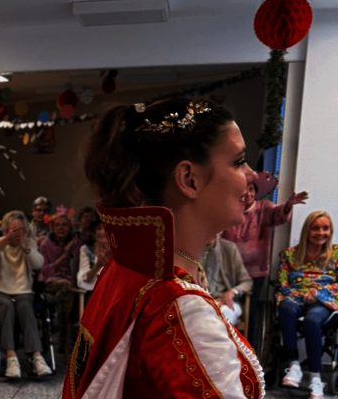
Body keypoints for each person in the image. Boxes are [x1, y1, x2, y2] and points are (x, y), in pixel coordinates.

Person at [63, 99, 263, 398]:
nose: (253, 175)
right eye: (238, 161)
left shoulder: (126, 266)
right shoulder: (179, 305)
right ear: (189, 179)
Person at [222, 176, 308, 344]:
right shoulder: (228, 209)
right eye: (243, 189)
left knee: (249, 313)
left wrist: (289, 205)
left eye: (252, 189)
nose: (248, 193)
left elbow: (279, 214)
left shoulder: (264, 208)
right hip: (228, 273)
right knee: (224, 310)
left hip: (255, 273)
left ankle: (250, 356)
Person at [0, 210, 51, 378]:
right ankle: (11, 357)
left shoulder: (28, 244)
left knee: (26, 306)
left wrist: (26, 248)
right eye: (13, 230)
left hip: (22, 289)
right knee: (6, 306)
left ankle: (37, 357)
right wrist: (4, 241)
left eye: (20, 230)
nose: (17, 234)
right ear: (5, 229)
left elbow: (38, 264)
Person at [277, 211, 338, 399]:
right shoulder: (289, 255)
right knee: (285, 307)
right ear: (307, 231)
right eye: (315, 228)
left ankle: (316, 380)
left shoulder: (336, 253)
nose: (321, 232)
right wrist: (301, 294)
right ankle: (293, 365)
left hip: (325, 300)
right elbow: (283, 282)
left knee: (312, 321)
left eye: (325, 228)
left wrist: (317, 293)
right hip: (297, 296)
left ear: (331, 230)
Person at [38, 213, 82, 351]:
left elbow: (78, 268)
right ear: (52, 227)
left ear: (70, 227)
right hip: (51, 281)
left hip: (70, 282)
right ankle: (65, 340)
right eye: (57, 225)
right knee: (64, 289)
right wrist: (64, 255)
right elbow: (44, 270)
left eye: (64, 225)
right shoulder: (45, 244)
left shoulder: (76, 243)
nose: (61, 228)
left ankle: (64, 341)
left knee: (66, 295)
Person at [201, 235, 252, 325]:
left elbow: (247, 282)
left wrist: (232, 292)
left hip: (225, 302)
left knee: (222, 316)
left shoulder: (229, 248)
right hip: (201, 301)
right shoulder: (192, 249)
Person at [76, 223, 110, 297]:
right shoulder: (86, 250)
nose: (101, 232)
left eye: (105, 228)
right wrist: (97, 265)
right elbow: (83, 280)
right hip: (93, 294)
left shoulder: (119, 251)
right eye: (99, 229)